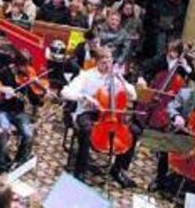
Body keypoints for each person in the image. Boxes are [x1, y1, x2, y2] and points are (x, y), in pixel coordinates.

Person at [61, 47, 144, 187]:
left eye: (109, 62)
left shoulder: (116, 78)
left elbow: (133, 96)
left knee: (134, 131)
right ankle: (80, 170)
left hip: (111, 115)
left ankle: (118, 170)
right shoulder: (86, 76)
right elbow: (65, 92)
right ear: (96, 62)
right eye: (103, 63)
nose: (107, 66)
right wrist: (84, 97)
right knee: (86, 129)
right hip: (88, 113)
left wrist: (121, 79)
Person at [148, 75, 195, 192]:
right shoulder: (186, 93)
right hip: (185, 134)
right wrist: (176, 116)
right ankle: (160, 179)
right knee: (165, 147)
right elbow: (171, 107)